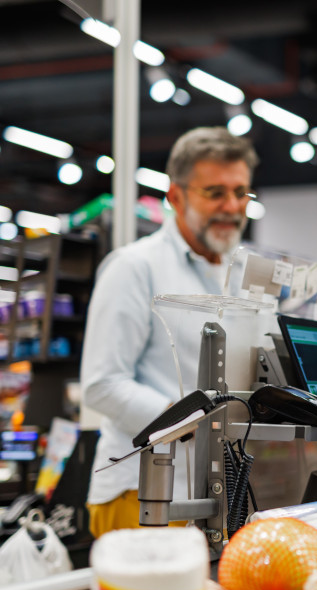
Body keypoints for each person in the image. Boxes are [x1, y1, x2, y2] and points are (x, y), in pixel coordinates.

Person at [82, 127, 259, 538]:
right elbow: (102, 384)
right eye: (215, 193)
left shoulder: (240, 277)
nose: (232, 206)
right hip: (142, 495)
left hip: (221, 494)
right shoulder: (134, 267)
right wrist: (188, 419)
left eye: (240, 193)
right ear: (176, 197)